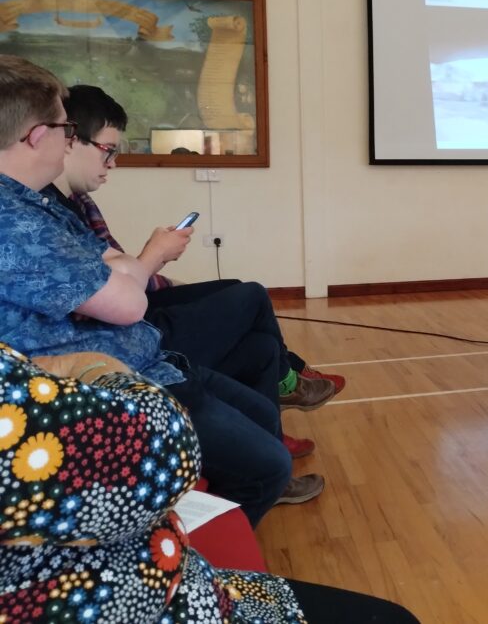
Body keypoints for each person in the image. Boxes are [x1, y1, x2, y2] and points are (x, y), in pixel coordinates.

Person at [0, 56, 308, 525]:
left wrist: (131, 269)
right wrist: (142, 264)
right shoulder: (15, 220)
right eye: (66, 129)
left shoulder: (36, 206)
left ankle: (283, 381)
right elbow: (127, 299)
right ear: (38, 136)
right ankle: (190, 568)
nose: (68, 142)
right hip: (112, 391)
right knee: (267, 460)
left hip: (147, 360)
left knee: (261, 394)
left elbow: (116, 264)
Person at [0, 344, 420, 623]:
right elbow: (164, 450)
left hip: (152, 358)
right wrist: (92, 364)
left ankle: (287, 385)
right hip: (154, 604)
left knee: (253, 324)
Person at [47, 85, 340, 460]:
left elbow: (119, 270)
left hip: (130, 309)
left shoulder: (74, 204)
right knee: (250, 295)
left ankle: (272, 433)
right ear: (69, 140)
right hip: (126, 332)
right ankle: (288, 381)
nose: (113, 163)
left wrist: (162, 272)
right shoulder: (45, 213)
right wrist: (153, 257)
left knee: (258, 338)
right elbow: (107, 291)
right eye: (109, 150)